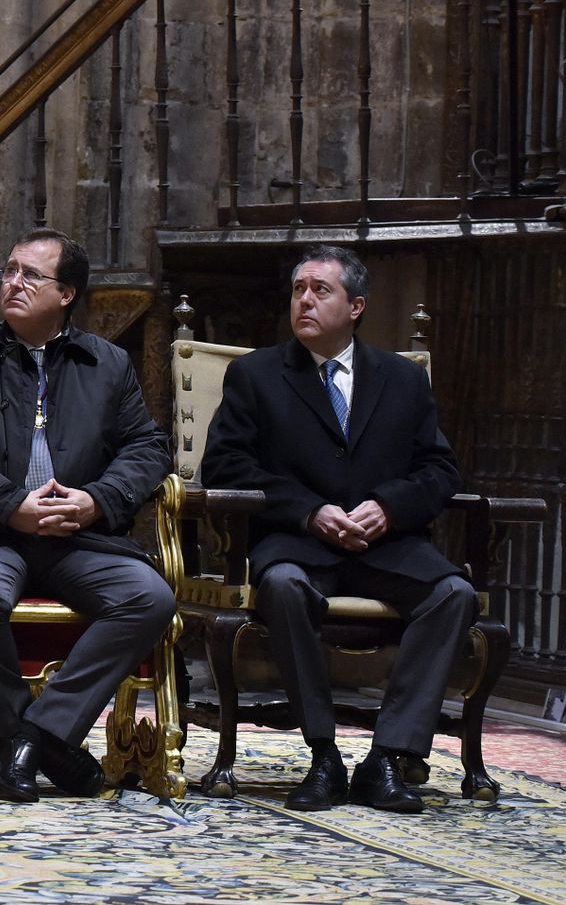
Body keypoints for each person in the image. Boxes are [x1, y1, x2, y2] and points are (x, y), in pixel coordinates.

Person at [200, 244, 471, 814]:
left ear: (356, 306)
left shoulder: (401, 378)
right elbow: (225, 466)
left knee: (454, 595)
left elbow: (440, 469)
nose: (304, 300)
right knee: (281, 586)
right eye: (298, 289)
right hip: (299, 541)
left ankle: (387, 759)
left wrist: (390, 507)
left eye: (320, 290)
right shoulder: (255, 374)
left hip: (386, 544)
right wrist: (309, 511)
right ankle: (323, 754)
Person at [0, 227, 174, 804]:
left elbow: (148, 448)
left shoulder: (107, 363)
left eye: (31, 274)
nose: (13, 282)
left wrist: (97, 500)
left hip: (75, 536)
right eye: (8, 271)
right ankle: (36, 734)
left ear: (68, 293)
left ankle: (34, 738)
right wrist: (11, 506)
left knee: (150, 598)